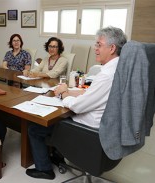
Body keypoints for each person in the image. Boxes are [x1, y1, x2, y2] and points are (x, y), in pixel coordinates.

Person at [25, 26, 127, 180]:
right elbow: (95, 94)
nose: (95, 48)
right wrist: (71, 91)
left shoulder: (106, 75)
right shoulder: (120, 68)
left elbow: (78, 107)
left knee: (35, 128)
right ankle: (57, 156)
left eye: (99, 44)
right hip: (110, 131)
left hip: (89, 132)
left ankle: (44, 169)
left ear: (112, 48)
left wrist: (65, 94)